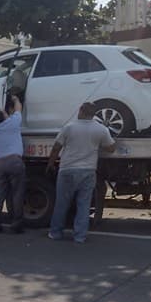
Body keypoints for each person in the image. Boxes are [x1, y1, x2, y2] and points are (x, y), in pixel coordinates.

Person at [46, 102, 116, 243]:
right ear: (94, 114)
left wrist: (50, 163)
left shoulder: (69, 127)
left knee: (62, 203)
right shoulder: (101, 129)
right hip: (88, 171)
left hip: (67, 170)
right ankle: (80, 236)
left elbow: (56, 147)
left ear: (81, 111)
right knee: (83, 205)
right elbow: (111, 148)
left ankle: (55, 233)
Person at [0, 94, 26, 234]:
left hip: (0, 164)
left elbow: (3, 122)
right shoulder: (13, 122)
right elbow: (18, 110)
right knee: (17, 193)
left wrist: (6, 114)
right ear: (5, 117)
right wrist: (16, 99)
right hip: (15, 162)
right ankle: (16, 223)